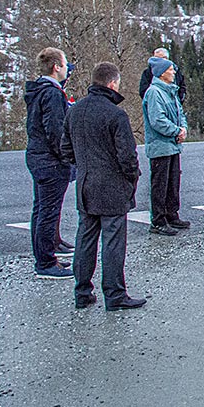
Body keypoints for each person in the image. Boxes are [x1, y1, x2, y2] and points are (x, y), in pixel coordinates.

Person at [61, 62, 145, 311]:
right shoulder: (115, 114)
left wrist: (85, 166)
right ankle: (115, 294)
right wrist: (131, 178)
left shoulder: (74, 111)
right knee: (113, 242)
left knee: (85, 239)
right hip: (111, 186)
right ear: (112, 83)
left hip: (86, 184)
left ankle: (82, 292)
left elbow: (66, 149)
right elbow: (128, 156)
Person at [24, 47, 75, 279]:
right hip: (50, 161)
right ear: (56, 67)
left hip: (38, 157)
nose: (66, 69)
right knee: (48, 212)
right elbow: (55, 130)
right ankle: (45, 262)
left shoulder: (38, 90)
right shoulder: (52, 94)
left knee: (41, 210)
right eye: (64, 64)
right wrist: (67, 156)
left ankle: (46, 254)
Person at [142, 56, 189, 235]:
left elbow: (180, 113)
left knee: (173, 181)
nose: (174, 73)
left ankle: (172, 214)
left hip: (172, 145)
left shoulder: (170, 90)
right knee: (160, 184)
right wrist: (176, 131)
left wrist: (182, 128)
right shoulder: (154, 92)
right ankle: (158, 220)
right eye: (170, 70)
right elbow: (157, 120)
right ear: (162, 73)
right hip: (160, 146)